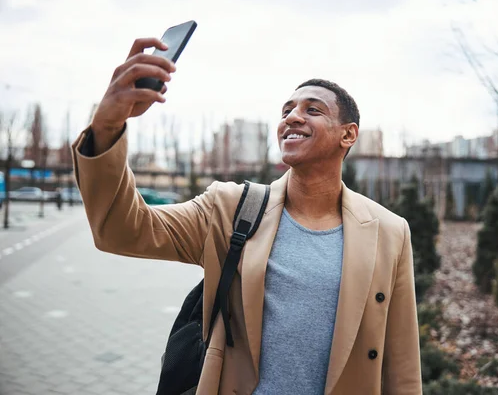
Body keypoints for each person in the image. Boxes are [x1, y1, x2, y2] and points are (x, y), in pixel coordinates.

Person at [71, 37, 422, 395]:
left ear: (348, 135)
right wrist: (107, 125)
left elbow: (402, 362)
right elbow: (122, 230)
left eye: (313, 110)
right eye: (286, 110)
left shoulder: (390, 232)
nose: (293, 117)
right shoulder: (230, 208)